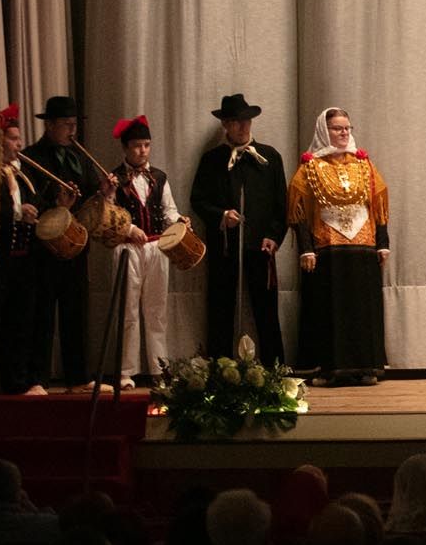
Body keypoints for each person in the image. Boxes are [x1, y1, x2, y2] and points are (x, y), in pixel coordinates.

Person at [287, 108, 389, 384]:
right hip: (328, 247)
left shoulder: (364, 164)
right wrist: (306, 248)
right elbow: (298, 213)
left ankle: (366, 367)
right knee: (330, 309)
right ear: (324, 130)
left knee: (362, 308)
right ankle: (330, 369)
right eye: (337, 128)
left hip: (363, 246)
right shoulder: (310, 168)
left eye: (347, 128)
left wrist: (382, 242)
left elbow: (377, 204)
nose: (344, 133)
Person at [22, 95, 115, 390]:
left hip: (76, 246)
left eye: (74, 124)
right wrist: (55, 199)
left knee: (76, 313)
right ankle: (37, 378)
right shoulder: (32, 156)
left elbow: (88, 199)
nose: (72, 131)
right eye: (66, 125)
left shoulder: (79, 157)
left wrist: (103, 190)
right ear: (49, 125)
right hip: (44, 249)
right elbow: (26, 201)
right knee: (43, 315)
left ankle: (78, 378)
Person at [189, 94, 288, 364]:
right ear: (225, 125)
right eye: (235, 122)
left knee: (266, 311)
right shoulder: (212, 160)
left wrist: (274, 236)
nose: (243, 127)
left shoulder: (269, 157)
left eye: (246, 121)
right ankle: (219, 369)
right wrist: (221, 215)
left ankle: (274, 370)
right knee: (221, 307)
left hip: (261, 246)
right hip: (225, 247)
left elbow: (282, 204)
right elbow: (198, 200)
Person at [105, 116, 181, 388]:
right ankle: (126, 371)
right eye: (137, 146)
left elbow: (169, 210)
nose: (143, 151)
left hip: (155, 247)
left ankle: (158, 368)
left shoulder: (159, 177)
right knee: (128, 310)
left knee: (156, 310)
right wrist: (128, 229)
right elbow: (107, 214)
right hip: (127, 249)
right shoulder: (114, 178)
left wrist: (180, 222)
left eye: (147, 145)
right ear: (125, 148)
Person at [0, 105, 47, 394]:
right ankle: (3, 382)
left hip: (24, 256)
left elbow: (32, 204)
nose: (20, 144)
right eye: (14, 138)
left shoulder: (20, 174)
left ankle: (21, 380)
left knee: (23, 322)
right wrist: (17, 214)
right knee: (0, 323)